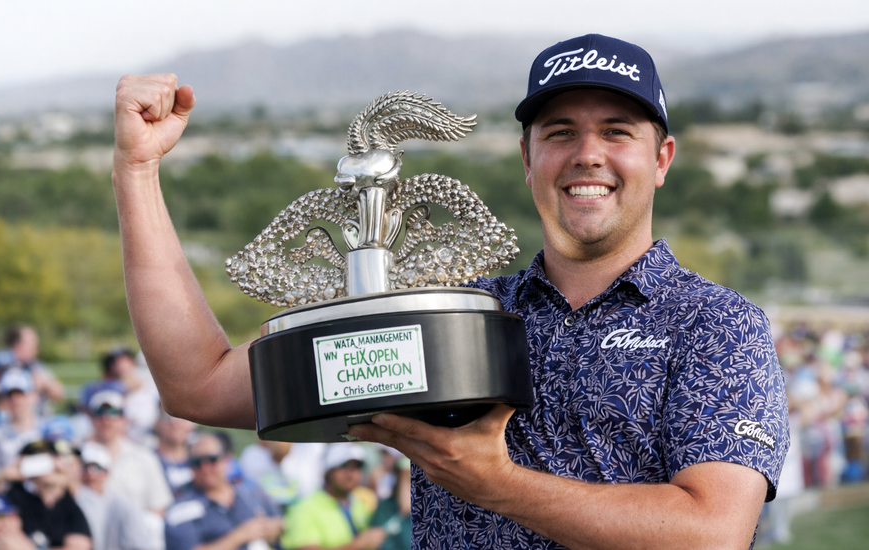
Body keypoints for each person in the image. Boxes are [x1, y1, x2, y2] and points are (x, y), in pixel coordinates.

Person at [112, 33, 789, 550]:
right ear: (528, 159)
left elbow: (711, 532)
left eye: (618, 132)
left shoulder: (716, 326)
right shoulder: (449, 316)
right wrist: (137, 173)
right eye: (560, 133)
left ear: (662, 158)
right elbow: (197, 384)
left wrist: (493, 483)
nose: (588, 154)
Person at [164, 432, 282, 550]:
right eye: (197, 462)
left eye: (212, 460)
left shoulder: (251, 492)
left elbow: (281, 521)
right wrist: (240, 535)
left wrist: (271, 528)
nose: (205, 468)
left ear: (227, 459)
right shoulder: (180, 509)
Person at [86, 389, 171, 547]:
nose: (106, 419)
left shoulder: (144, 457)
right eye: (99, 412)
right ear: (91, 418)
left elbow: (158, 507)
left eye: (114, 412)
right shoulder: (78, 456)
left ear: (123, 419)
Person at [281, 444, 385, 550]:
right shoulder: (303, 508)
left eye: (357, 466)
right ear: (327, 471)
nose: (351, 473)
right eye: (344, 466)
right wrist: (357, 545)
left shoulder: (361, 504)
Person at [6, 440, 91, 550]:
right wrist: (4, 475)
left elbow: (79, 547)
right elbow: (6, 541)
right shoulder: (15, 498)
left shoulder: (72, 502)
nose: (51, 467)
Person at [72, 441, 157, 550]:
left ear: (107, 472)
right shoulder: (69, 502)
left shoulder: (123, 505)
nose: (90, 475)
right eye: (84, 468)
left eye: (96, 468)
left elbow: (140, 544)